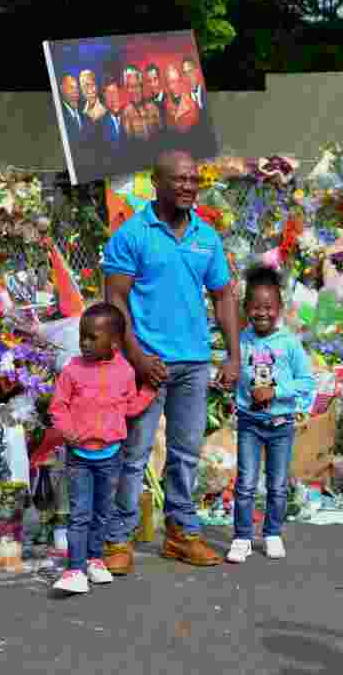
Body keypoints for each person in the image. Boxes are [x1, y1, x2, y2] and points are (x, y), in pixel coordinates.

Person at [102, 149, 240, 572]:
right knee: (136, 453)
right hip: (147, 365)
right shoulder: (132, 234)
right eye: (179, 179)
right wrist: (138, 356)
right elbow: (115, 298)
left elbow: (223, 296)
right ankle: (116, 539)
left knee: (185, 454)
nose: (187, 187)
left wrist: (234, 355)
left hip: (194, 363)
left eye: (194, 180)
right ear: (157, 183)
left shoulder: (206, 236)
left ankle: (181, 534)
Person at [49, 303, 156, 594]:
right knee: (80, 513)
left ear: (115, 342)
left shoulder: (124, 371)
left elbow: (130, 407)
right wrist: (69, 434)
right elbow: (58, 407)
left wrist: (149, 391)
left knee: (102, 511)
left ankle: (95, 560)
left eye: (92, 337)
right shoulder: (72, 370)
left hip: (110, 455)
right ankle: (74, 568)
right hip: (79, 456)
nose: (84, 342)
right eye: (82, 335)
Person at [226, 265, 315, 564]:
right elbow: (234, 370)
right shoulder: (242, 340)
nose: (261, 313)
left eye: (268, 307)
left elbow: (306, 382)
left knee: (277, 484)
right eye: (254, 307)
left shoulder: (289, 343)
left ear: (279, 308)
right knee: (246, 482)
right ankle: (242, 537)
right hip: (250, 423)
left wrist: (275, 391)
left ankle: (273, 532)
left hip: (280, 425)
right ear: (245, 308)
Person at [164, 64, 199, 134]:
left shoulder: (191, 102)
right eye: (173, 82)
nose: (177, 85)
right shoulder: (166, 104)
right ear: (167, 84)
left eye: (178, 80)